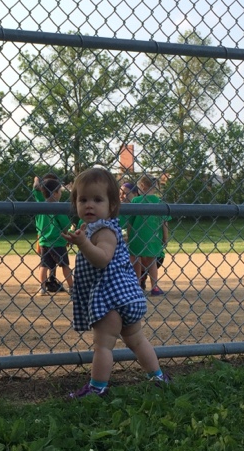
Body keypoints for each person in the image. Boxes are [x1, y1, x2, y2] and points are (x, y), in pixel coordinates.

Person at [61, 167, 169, 398]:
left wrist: (84, 244)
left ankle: (97, 387)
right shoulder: (94, 229)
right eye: (83, 200)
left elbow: (103, 259)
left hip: (111, 299)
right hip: (126, 296)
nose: (89, 205)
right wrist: (82, 240)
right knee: (137, 341)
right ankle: (158, 377)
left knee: (102, 346)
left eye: (97, 200)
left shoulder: (104, 231)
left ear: (112, 206)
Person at [127, 175, 170, 296]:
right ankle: (154, 287)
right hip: (153, 237)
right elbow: (164, 223)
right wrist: (165, 237)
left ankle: (137, 286)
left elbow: (130, 222)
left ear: (142, 186)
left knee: (136, 260)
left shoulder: (136, 201)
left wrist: (129, 236)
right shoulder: (159, 202)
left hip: (137, 237)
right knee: (152, 262)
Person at [35, 178, 74, 296]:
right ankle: (72, 287)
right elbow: (65, 225)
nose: (61, 193)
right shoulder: (57, 208)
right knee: (64, 265)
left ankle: (42, 288)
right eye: (59, 191)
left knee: (44, 265)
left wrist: (36, 183)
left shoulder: (40, 205)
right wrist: (69, 233)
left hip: (44, 242)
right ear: (54, 193)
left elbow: (36, 191)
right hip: (57, 242)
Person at [33, 174, 65, 293]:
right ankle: (48, 282)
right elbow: (36, 189)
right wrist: (36, 181)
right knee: (49, 262)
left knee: (46, 262)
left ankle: (50, 282)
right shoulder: (42, 200)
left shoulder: (54, 204)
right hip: (47, 237)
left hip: (50, 238)